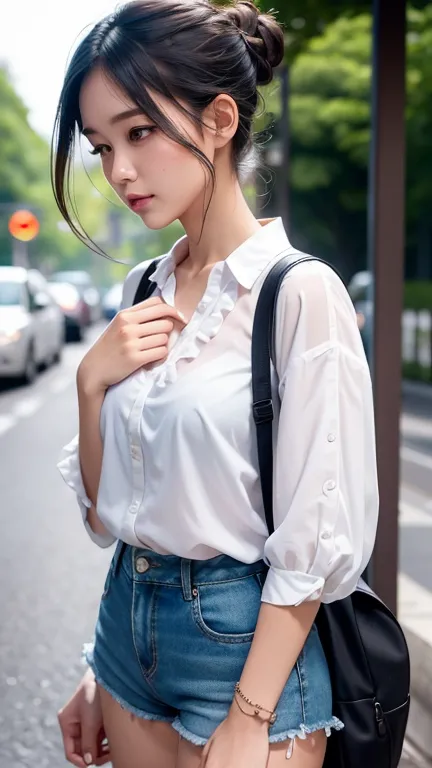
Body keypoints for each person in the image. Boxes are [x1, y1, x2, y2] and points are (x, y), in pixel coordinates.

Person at [53, 1, 379, 767]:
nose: (118, 171)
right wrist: (90, 385)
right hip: (127, 635)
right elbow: (109, 520)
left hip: (247, 651)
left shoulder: (298, 294)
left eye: (138, 133)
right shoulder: (142, 287)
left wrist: (250, 714)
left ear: (221, 118)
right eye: (101, 146)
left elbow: (317, 535)